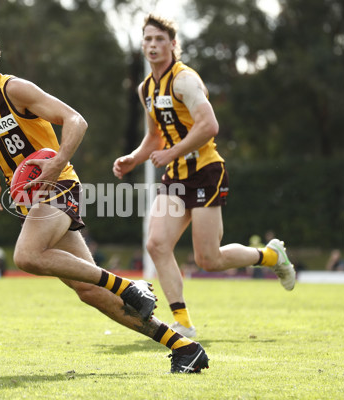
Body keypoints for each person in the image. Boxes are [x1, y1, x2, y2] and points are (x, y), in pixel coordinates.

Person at [0, 26, 208, 373]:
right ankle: (184, 347)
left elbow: (75, 121)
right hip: (31, 203)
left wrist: (55, 165)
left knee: (26, 255)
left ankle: (127, 286)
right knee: (91, 291)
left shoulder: (13, 89)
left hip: (59, 187)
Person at [113, 14, 296, 338]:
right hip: (176, 175)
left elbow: (209, 126)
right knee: (156, 244)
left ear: (172, 44)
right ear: (143, 44)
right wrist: (133, 158)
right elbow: (155, 136)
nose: (153, 45)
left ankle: (270, 255)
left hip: (206, 171)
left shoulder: (185, 80)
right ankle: (182, 322)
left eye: (159, 39)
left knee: (208, 259)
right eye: (148, 39)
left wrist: (171, 152)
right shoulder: (146, 89)